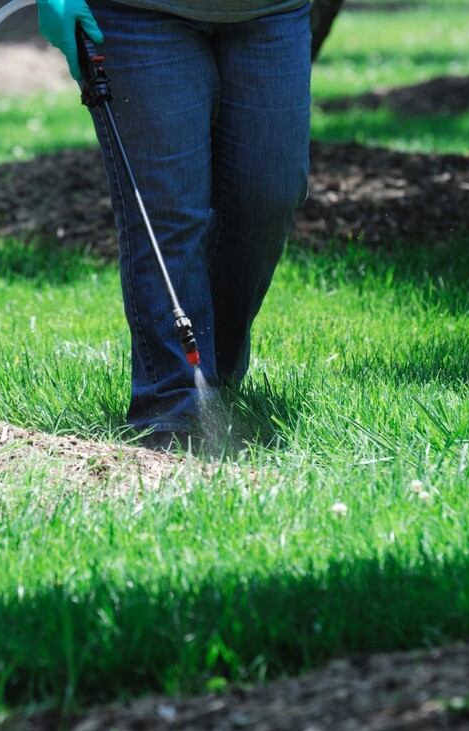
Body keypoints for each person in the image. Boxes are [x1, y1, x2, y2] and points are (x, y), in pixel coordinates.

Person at [37, 0, 311, 450]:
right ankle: (174, 415)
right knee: (165, 214)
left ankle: (213, 377)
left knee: (268, 197)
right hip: (135, 13)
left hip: (271, 10)